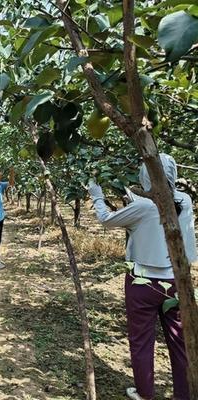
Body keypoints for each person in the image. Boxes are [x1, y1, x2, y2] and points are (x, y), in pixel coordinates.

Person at [88, 153, 196, 400]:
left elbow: (106, 220)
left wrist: (97, 195)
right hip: (176, 283)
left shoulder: (143, 206)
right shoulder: (185, 201)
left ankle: (145, 393)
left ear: (146, 175)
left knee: (141, 340)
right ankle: (185, 394)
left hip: (142, 283)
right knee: (179, 341)